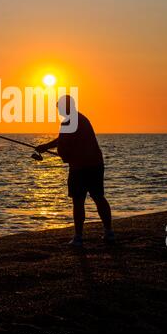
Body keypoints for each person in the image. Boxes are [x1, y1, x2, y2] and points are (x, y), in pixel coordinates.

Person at [36, 95, 114, 246]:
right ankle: (109, 232)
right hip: (95, 164)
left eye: (59, 107)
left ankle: (78, 237)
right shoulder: (80, 119)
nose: (58, 110)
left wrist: (62, 155)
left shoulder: (68, 122)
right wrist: (45, 147)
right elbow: (63, 140)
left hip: (80, 168)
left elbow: (63, 147)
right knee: (99, 197)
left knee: (78, 201)